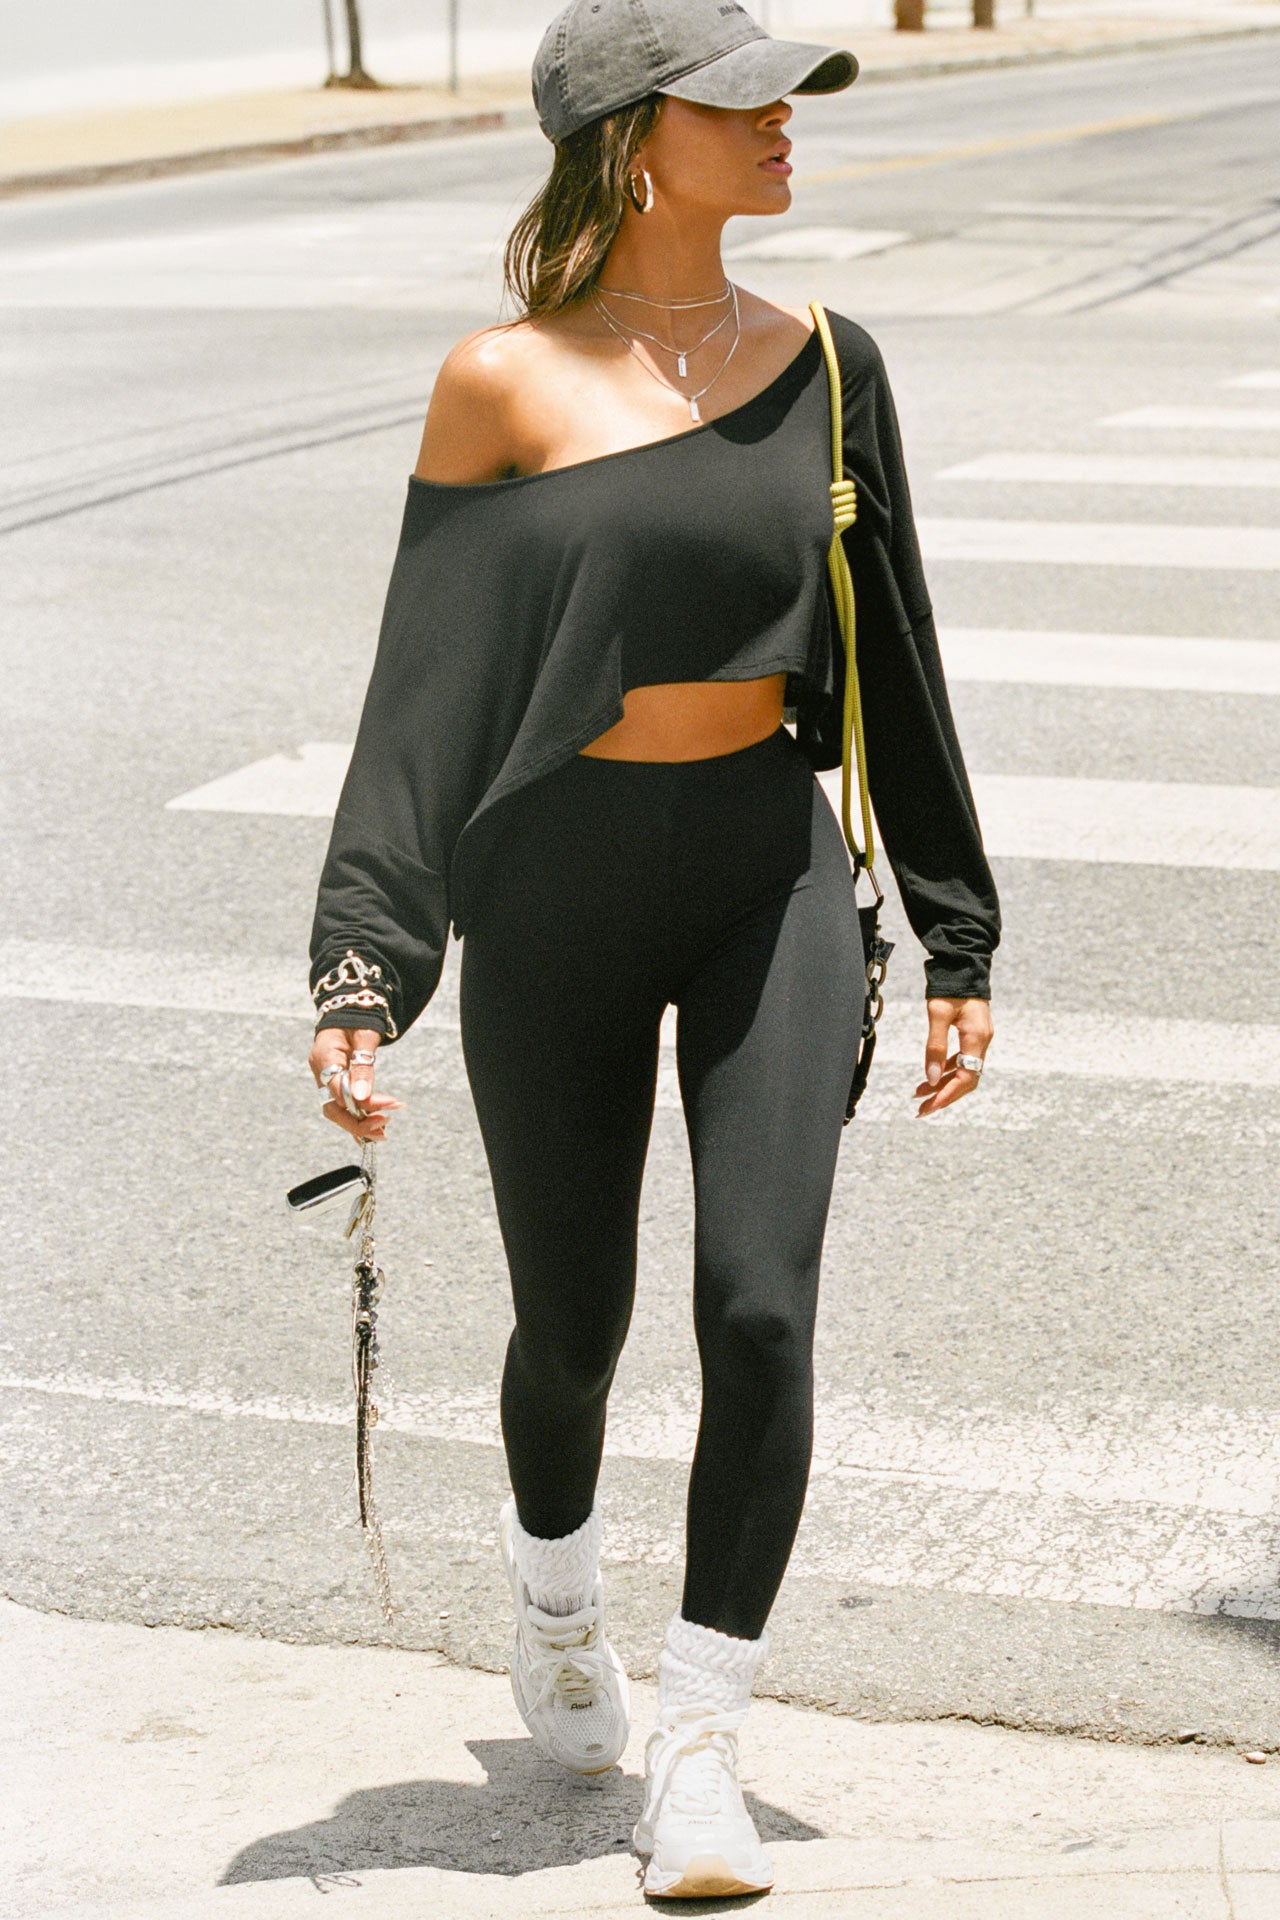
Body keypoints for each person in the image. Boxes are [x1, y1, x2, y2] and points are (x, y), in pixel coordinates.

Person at [306, 0, 1000, 1899]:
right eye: (743, 103)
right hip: (556, 889)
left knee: (761, 1307)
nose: (786, 128)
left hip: (768, 865)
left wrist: (953, 929)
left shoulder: (830, 368)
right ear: (629, 138)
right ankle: (552, 1594)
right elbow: (424, 702)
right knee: (576, 1325)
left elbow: (902, 659)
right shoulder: (505, 382)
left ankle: (699, 1737)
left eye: (788, 100)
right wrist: (365, 960)